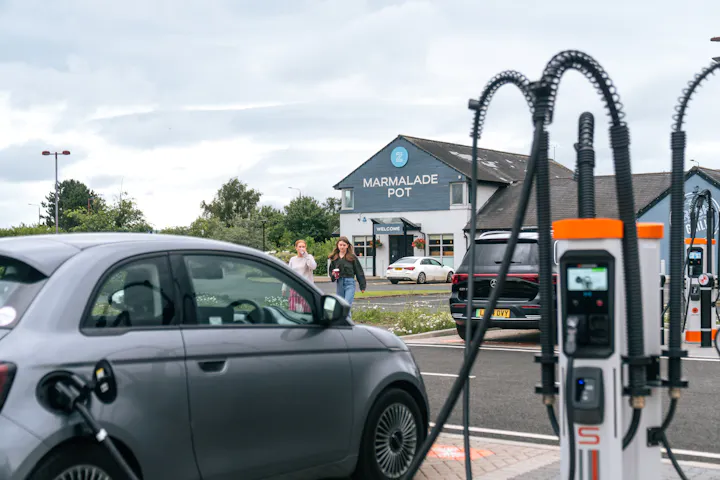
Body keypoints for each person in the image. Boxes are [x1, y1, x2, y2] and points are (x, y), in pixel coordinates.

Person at [328, 236, 366, 313]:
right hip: (339, 282)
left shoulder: (352, 257)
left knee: (347, 304)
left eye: (344, 245)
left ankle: (348, 323)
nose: (342, 247)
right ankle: (341, 322)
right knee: (340, 304)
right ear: (337, 245)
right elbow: (331, 271)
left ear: (347, 246)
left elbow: (359, 271)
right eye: (340, 245)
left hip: (350, 283)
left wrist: (362, 285)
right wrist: (333, 276)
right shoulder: (335, 258)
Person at [282, 239, 317, 313]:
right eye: (300, 246)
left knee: (306, 308)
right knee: (293, 308)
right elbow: (289, 273)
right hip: (295, 287)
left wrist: (306, 256)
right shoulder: (293, 259)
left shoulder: (309, 257)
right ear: (296, 248)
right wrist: (284, 287)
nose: (301, 248)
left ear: (306, 248)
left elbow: (313, 266)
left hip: (306, 287)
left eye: (303, 247)